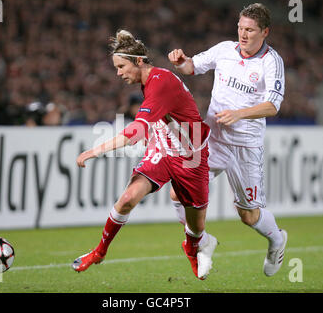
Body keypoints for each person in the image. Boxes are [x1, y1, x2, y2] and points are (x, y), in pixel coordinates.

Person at [72, 29, 218, 280]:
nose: (118, 73)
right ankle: (99, 252)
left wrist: (94, 151)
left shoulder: (160, 82)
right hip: (162, 149)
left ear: (139, 61)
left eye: (121, 66)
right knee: (127, 198)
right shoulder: (148, 80)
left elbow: (134, 132)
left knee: (195, 229)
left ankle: (192, 250)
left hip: (191, 156)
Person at [168, 3, 287, 277]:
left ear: (265, 32)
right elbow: (191, 67)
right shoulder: (224, 50)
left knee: (248, 216)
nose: (243, 35)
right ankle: (203, 240)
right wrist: (181, 61)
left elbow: (273, 105)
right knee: (178, 192)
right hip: (214, 140)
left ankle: (277, 240)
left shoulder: (271, 61)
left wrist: (240, 114)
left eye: (250, 30)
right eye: (240, 28)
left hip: (246, 146)